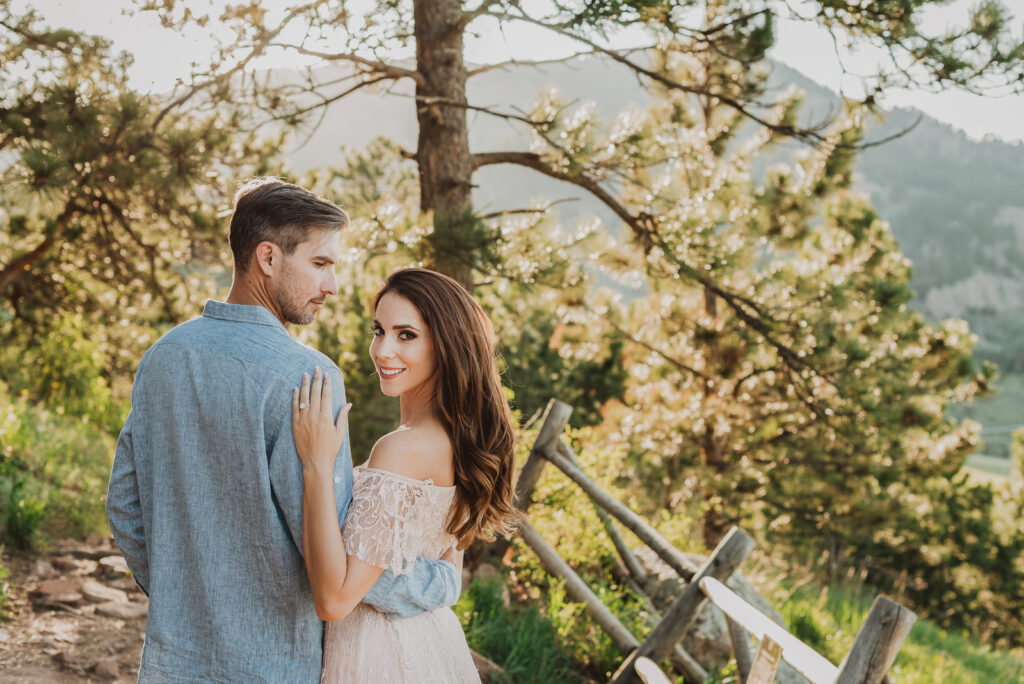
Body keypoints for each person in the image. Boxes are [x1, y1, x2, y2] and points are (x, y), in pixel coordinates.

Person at [106, 179, 461, 683]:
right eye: (320, 264)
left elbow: (124, 504)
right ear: (268, 258)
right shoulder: (309, 378)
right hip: (275, 666)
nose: (331, 286)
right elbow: (336, 552)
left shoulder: (164, 356)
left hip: (171, 662)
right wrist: (439, 581)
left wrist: (180, 596)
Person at [291, 268, 518, 683]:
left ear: (444, 345)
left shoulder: (401, 449)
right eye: (379, 331)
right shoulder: (457, 440)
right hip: (431, 644)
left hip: (380, 654)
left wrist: (317, 466)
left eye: (406, 335)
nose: (382, 350)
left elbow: (335, 600)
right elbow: (448, 565)